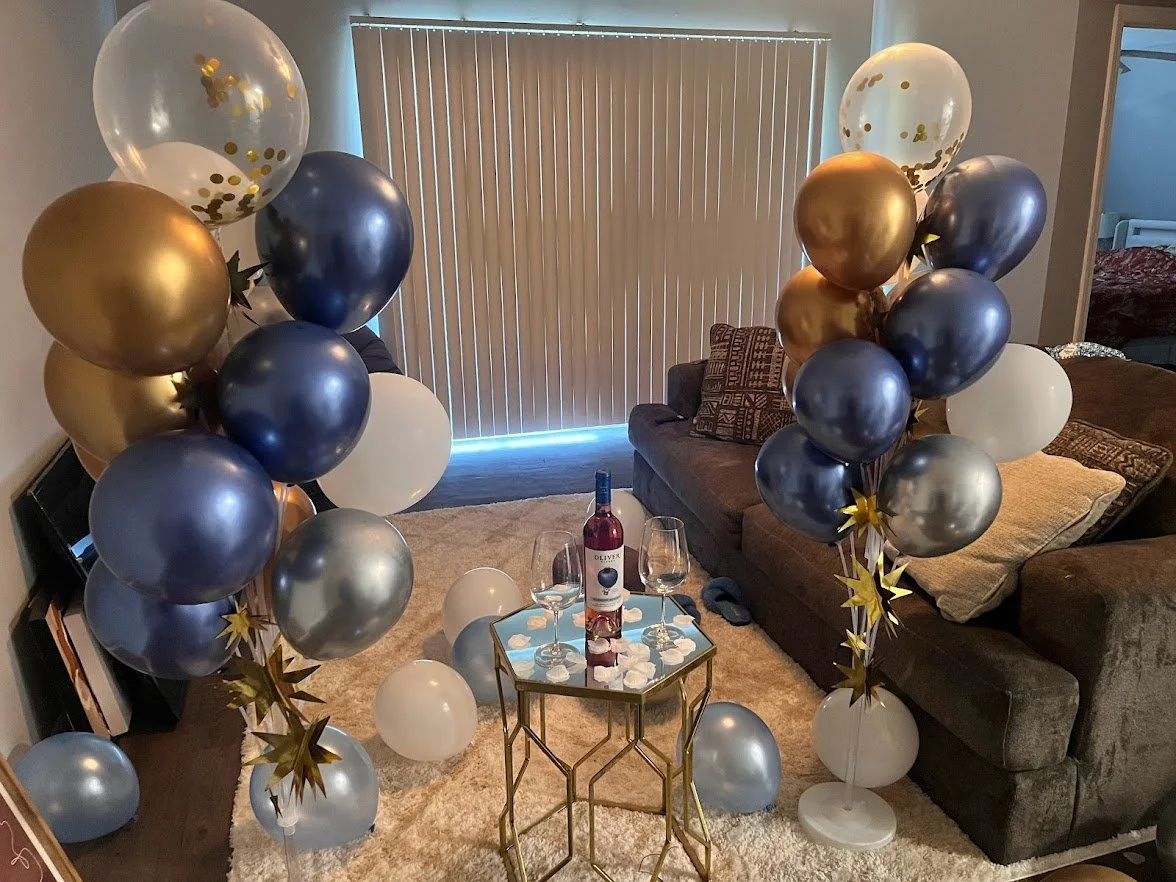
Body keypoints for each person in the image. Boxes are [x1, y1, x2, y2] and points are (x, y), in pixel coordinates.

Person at [300, 327, 401, 512]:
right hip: (317, 447)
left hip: (356, 435)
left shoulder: (356, 340)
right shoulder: (352, 333)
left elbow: (388, 387)